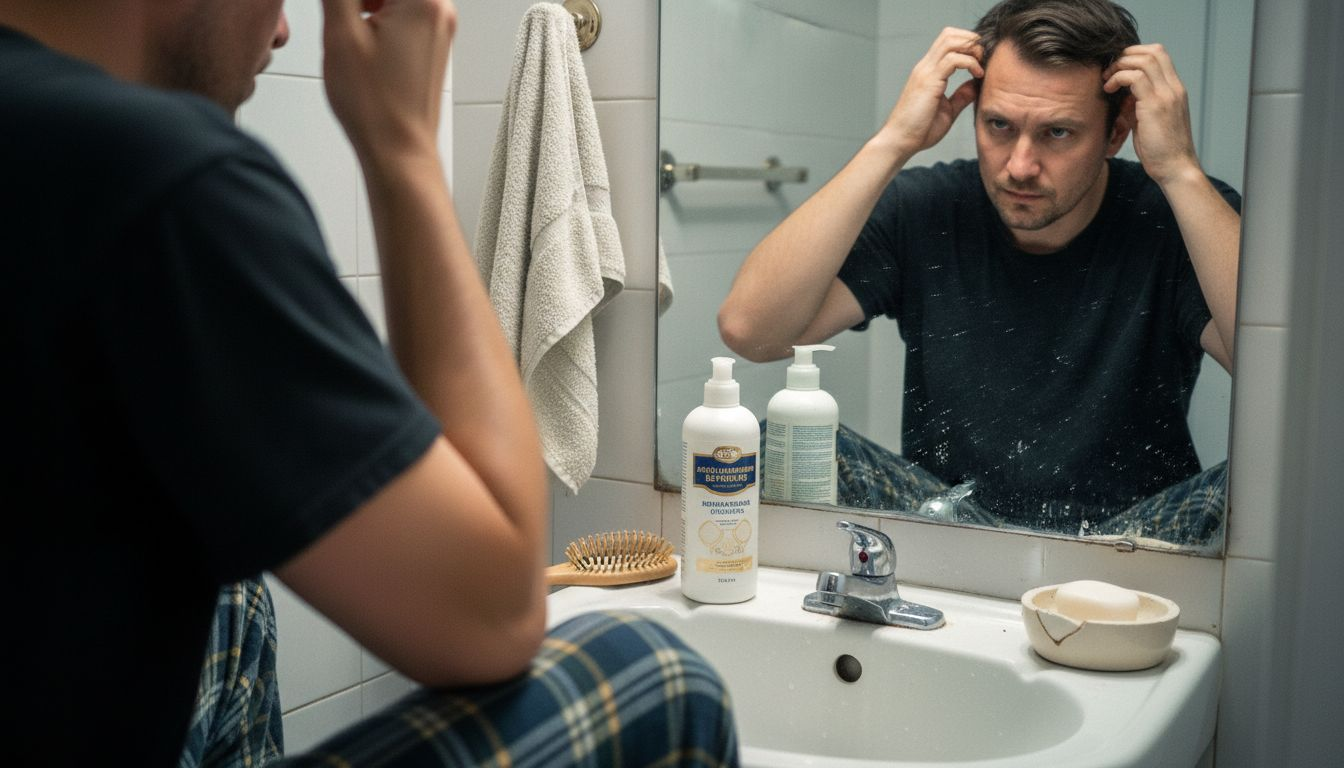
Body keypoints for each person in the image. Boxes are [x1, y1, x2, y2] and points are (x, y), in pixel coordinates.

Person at [1, 1, 737, 766]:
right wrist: (403, 148)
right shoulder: (156, 172)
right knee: (657, 677)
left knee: (233, 597)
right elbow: (494, 613)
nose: (284, 30)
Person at [719, 0, 1240, 546]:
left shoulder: (1176, 216)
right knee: (780, 436)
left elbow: (1284, 380)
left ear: (1115, 134)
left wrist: (1179, 170)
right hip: (950, 527)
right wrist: (892, 142)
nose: (1019, 165)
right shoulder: (926, 209)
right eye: (998, 125)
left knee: (1269, 477)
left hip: (1129, 544)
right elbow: (752, 332)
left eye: (1058, 133)